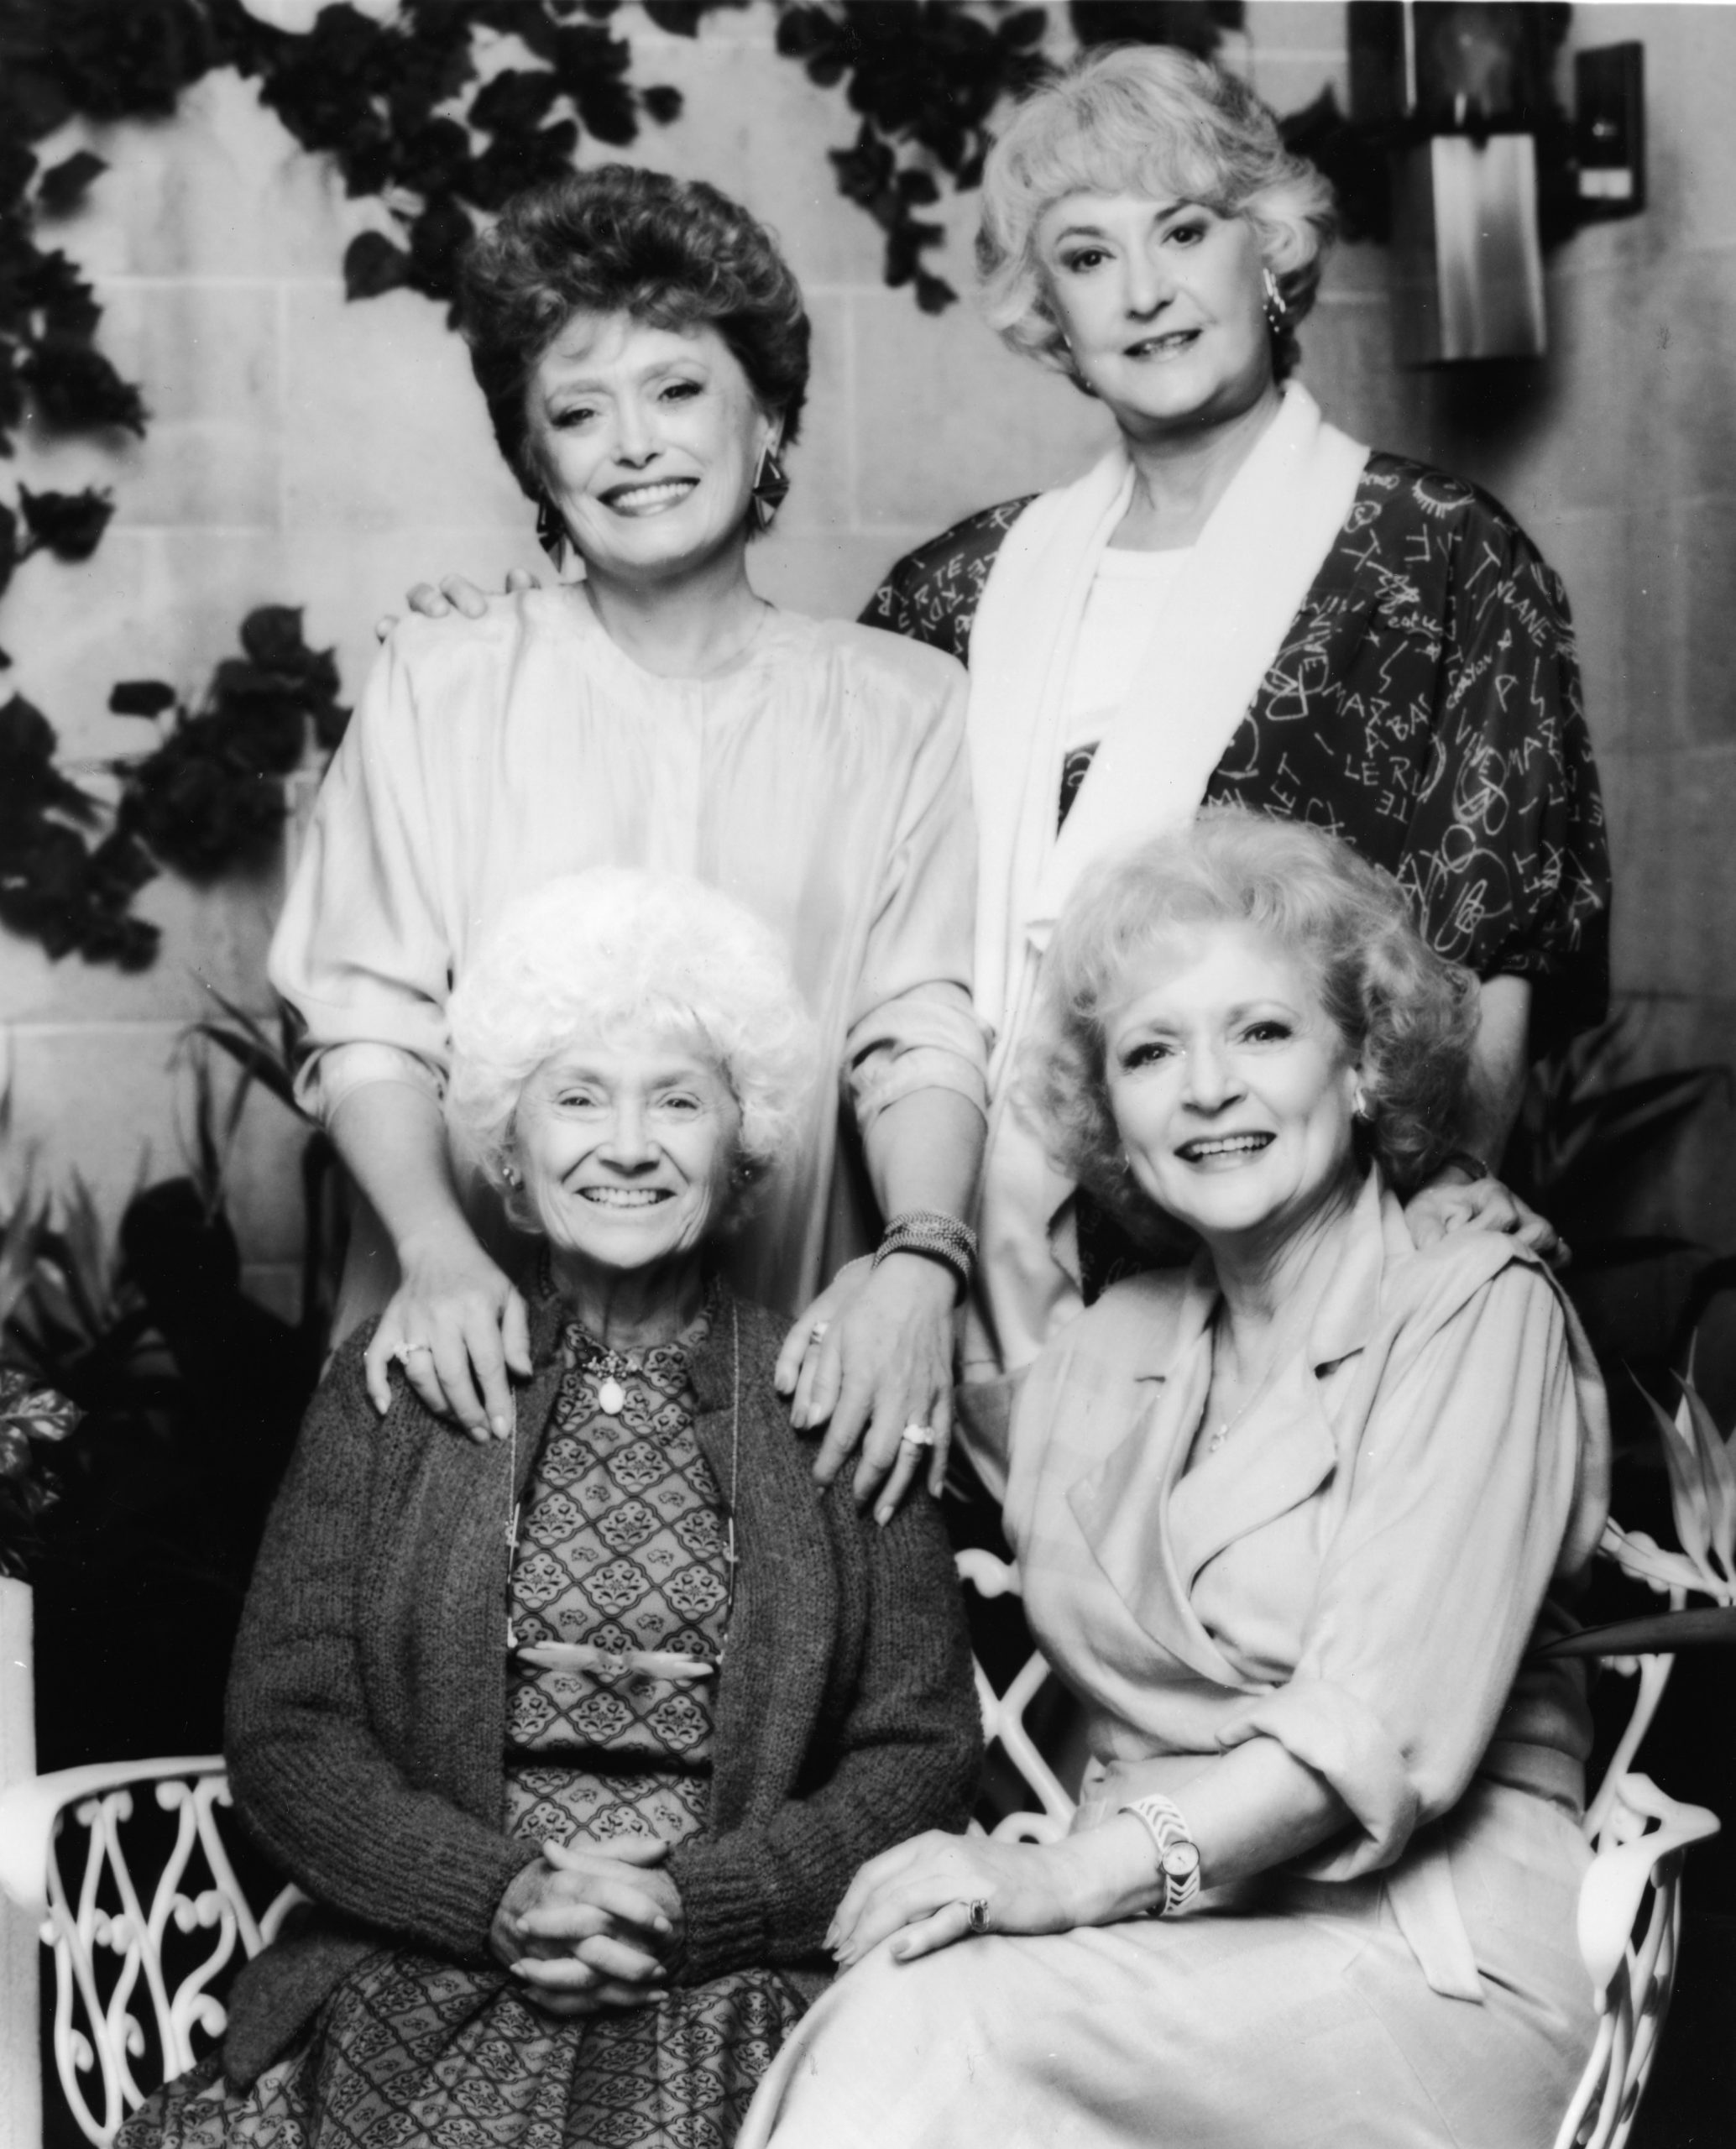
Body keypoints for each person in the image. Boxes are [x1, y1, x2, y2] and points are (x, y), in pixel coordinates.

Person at [410, 48, 1608, 1449]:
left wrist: (1436, 1217)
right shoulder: (958, 588)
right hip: (969, 1305)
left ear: (1271, 253)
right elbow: (787, 793)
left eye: (1186, 232)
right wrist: (531, 641)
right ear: (1051, 313)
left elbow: (1491, 955)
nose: (1146, 291)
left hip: (1304, 1295)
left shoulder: (1444, 559)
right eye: (1089, 256)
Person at [736, 812, 1609, 2149]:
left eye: (1261, 1032)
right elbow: (903, 1470)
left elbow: (1367, 1732)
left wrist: (1069, 1879)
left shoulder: (1473, 1304)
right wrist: (888, 1278)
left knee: (941, 2031)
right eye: (1152, 1051)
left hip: (1414, 1961)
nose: (1206, 1088)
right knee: (899, 2008)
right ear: (1114, 1116)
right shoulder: (1106, 1345)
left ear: (1364, 1065)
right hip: (1172, 1941)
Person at [120, 870, 982, 2149]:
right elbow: (288, 1729)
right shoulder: (395, 1384)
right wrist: (498, 1896)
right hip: (427, 1961)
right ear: (511, 1157)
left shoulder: (840, 1389)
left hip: (740, 1984)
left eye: (676, 1101)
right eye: (578, 1097)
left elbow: (919, 1748)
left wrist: (711, 1903)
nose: (627, 1144)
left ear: (739, 1154)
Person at [270, 165, 986, 1515]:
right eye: (579, 413)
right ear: (538, 461)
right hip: (468, 1371)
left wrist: (918, 1265)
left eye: (675, 390)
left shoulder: (903, 707)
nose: (635, 444)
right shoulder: (442, 680)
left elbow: (921, 1029)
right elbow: (366, 1017)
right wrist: (433, 1250)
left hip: (788, 1392)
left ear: (767, 414)